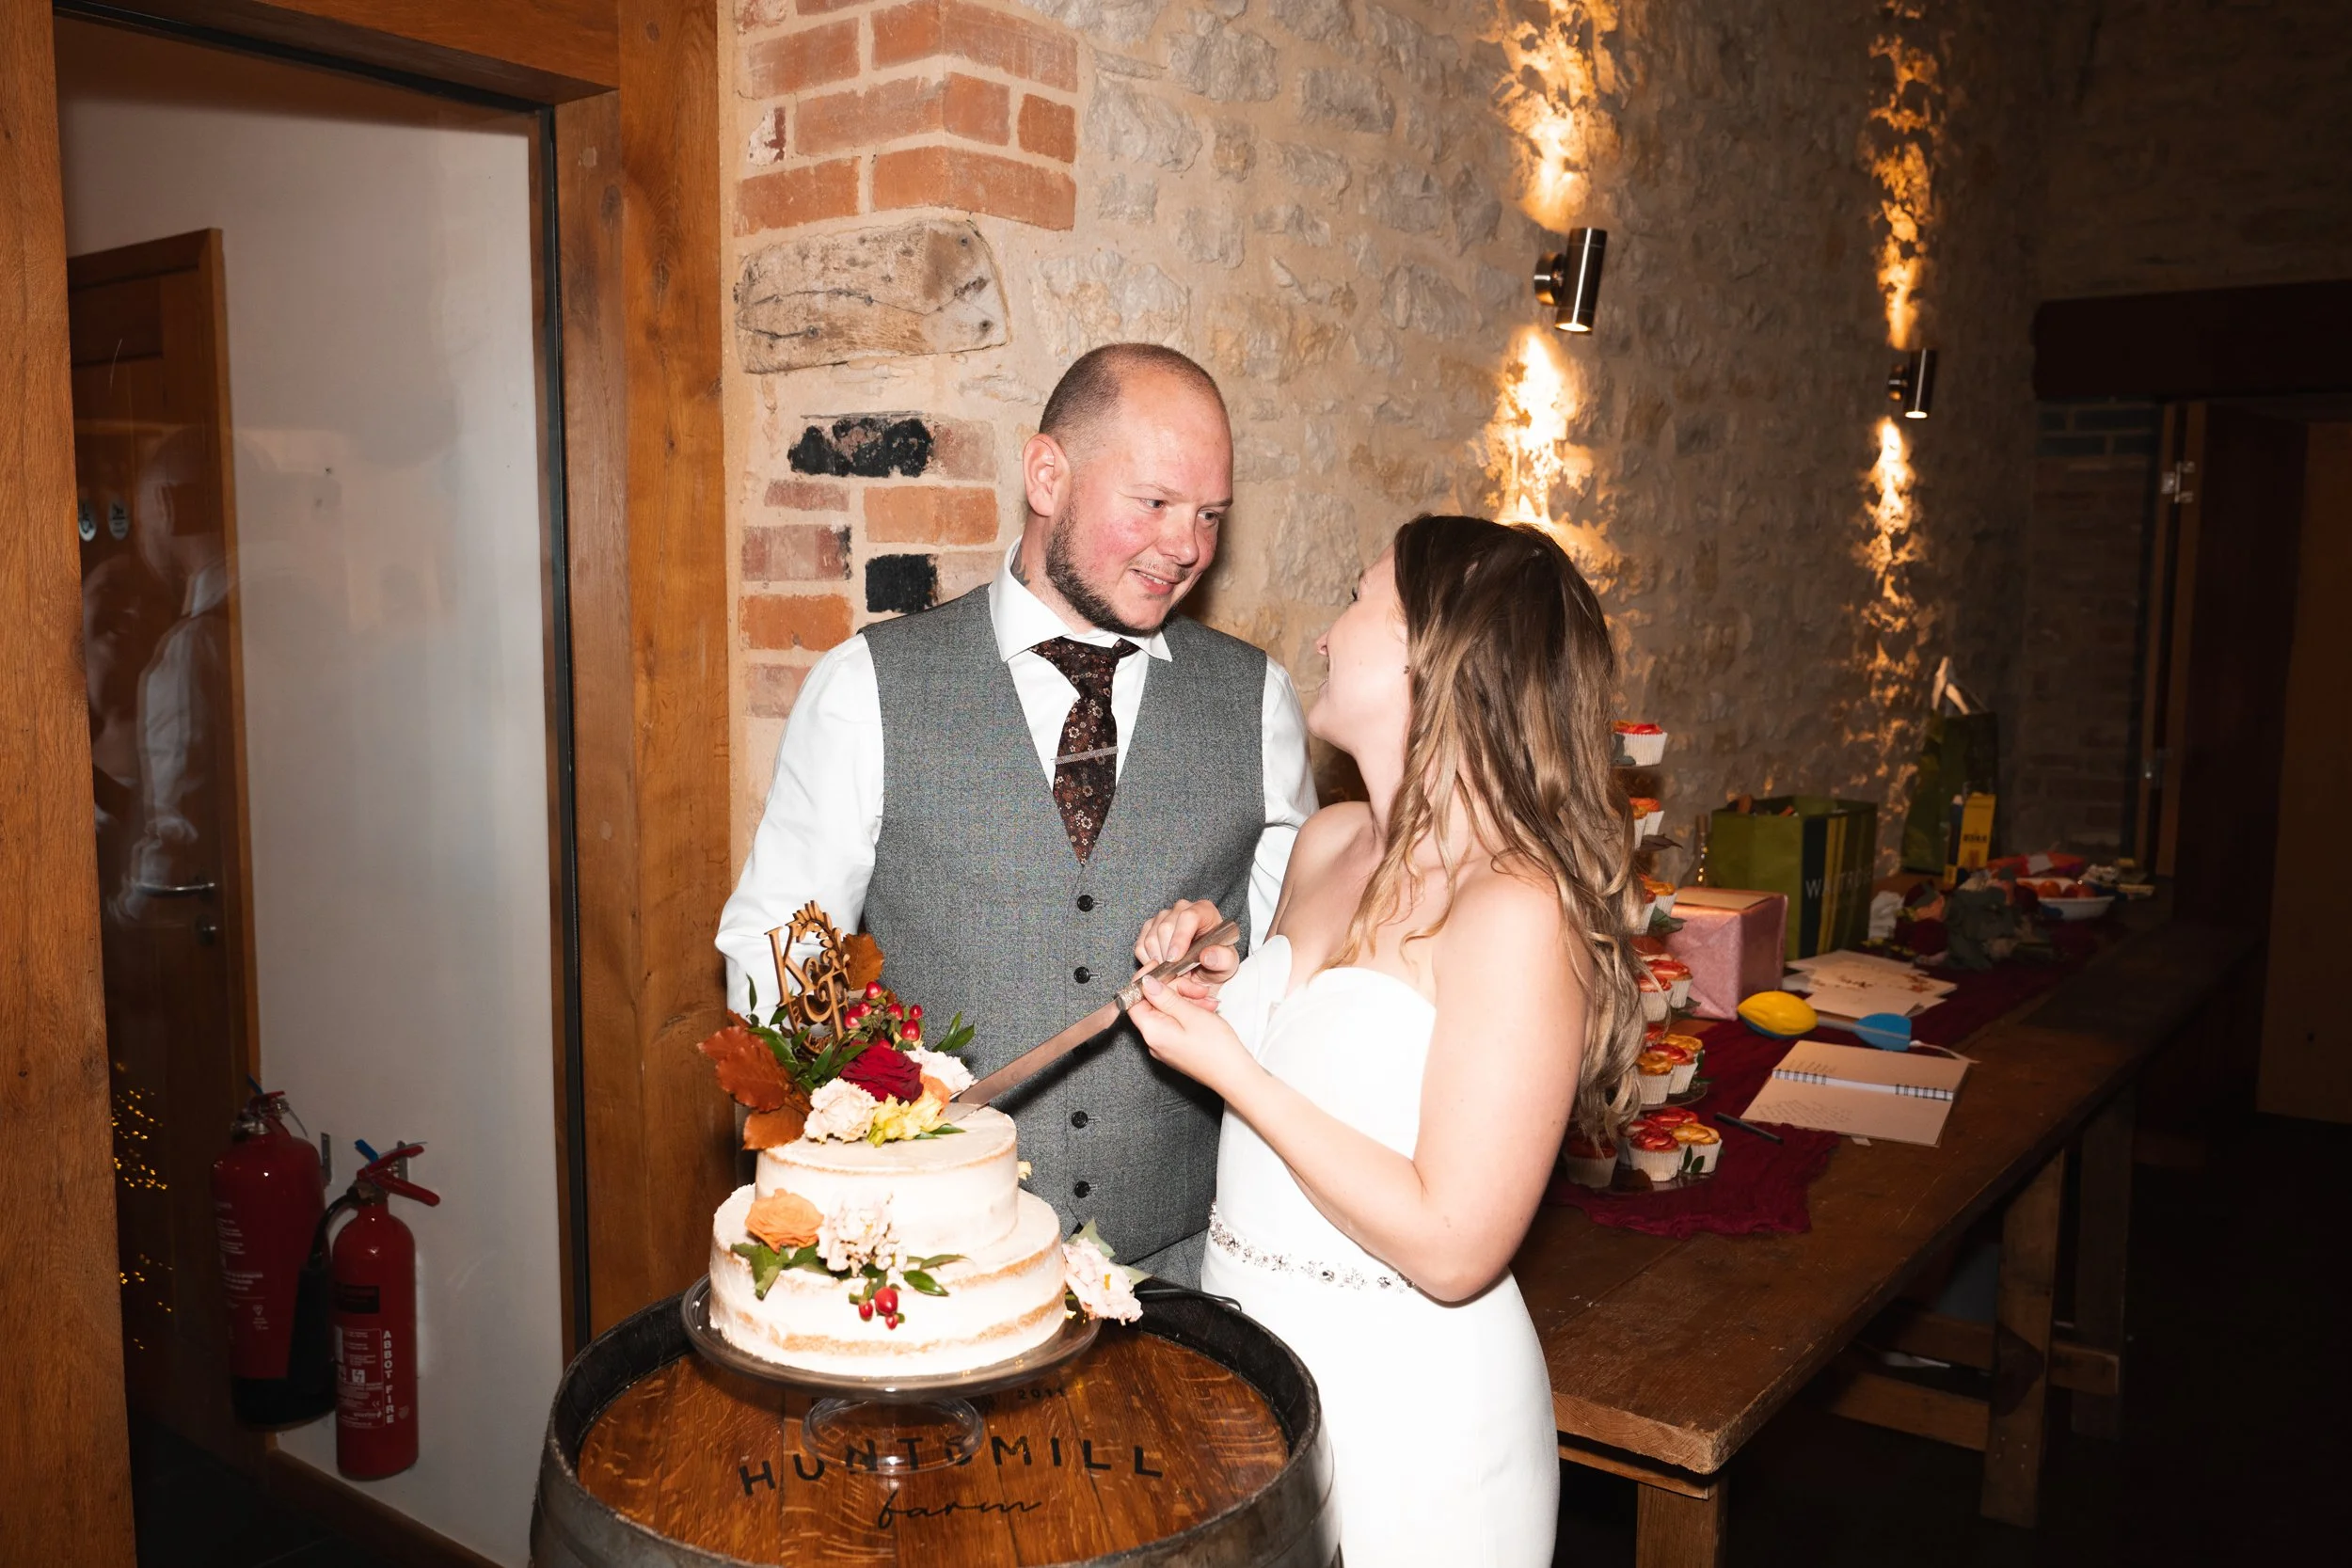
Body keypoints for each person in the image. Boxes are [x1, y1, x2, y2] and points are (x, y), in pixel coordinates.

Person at [716, 343, 1316, 1284]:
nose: (1186, 546)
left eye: (1208, 515)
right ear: (1048, 474)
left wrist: (1233, 974)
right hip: (940, 1266)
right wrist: (858, 1131)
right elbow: (777, 951)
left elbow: (1295, 983)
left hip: (1191, 1272)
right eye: (1153, 503)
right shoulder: (866, 688)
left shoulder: (1259, 701)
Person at [1126, 515, 1645, 1566]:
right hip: (1257, 1375)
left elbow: (1456, 1245)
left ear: (1434, 651)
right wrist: (1217, 985)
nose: (1324, 636)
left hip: (1413, 1417)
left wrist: (1232, 1069)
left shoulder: (1516, 906)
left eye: (1360, 601)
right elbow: (1318, 1048)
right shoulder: (1330, 839)